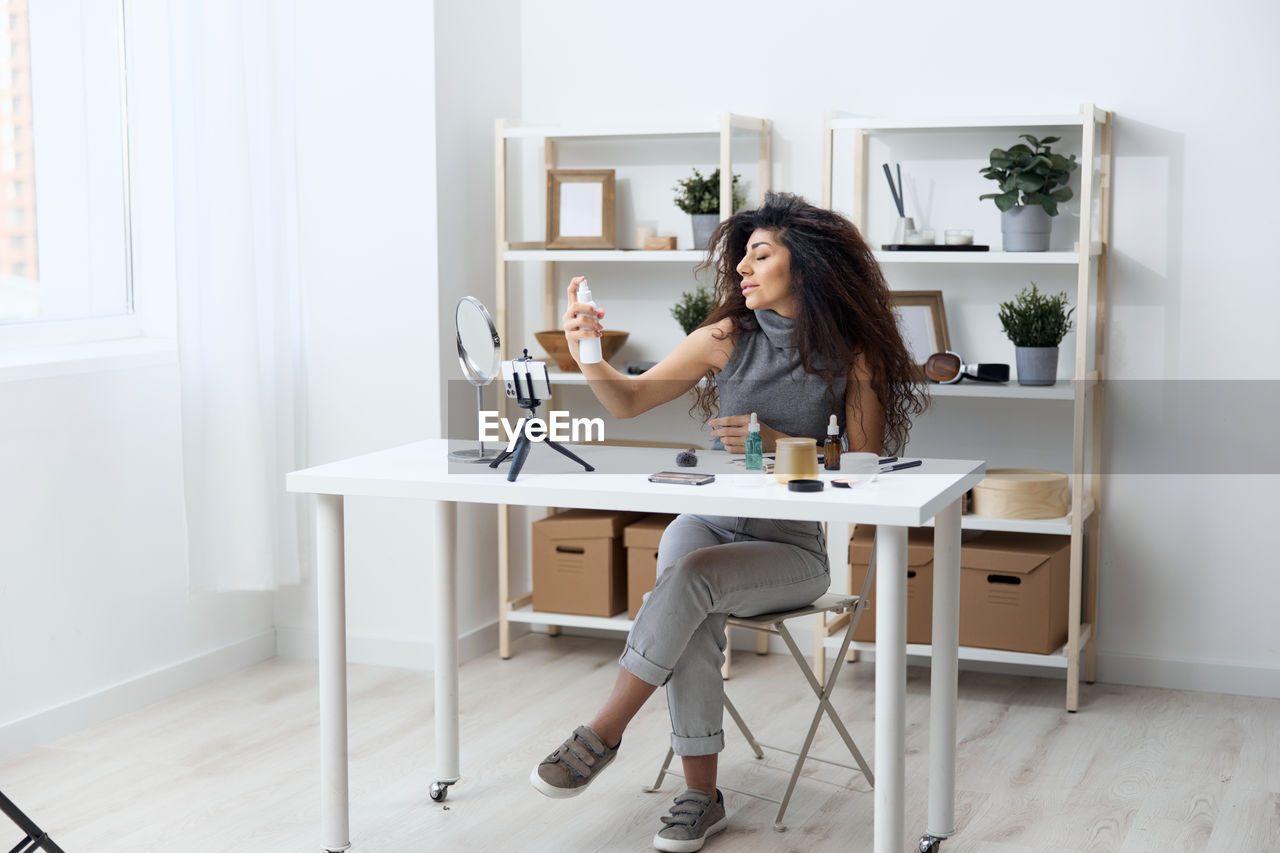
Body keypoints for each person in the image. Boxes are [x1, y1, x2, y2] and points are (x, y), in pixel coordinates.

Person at [529, 191, 926, 852]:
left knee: (691, 580)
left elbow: (862, 467)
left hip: (791, 548)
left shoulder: (854, 353)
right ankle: (699, 796)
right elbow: (628, 400)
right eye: (740, 253)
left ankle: (604, 732)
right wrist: (588, 354)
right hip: (711, 520)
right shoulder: (726, 337)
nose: (742, 266)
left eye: (760, 253)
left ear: (806, 266)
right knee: (690, 583)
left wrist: (771, 438)